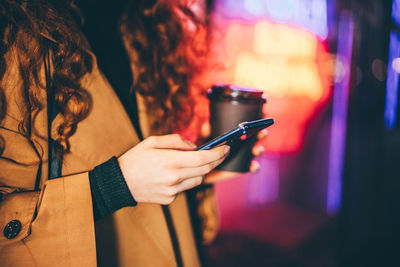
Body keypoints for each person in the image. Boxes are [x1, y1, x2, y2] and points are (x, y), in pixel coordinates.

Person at [0, 0, 263, 266]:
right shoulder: (12, 31)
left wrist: (196, 171)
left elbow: (157, 207)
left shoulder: (144, 25)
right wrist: (112, 187)